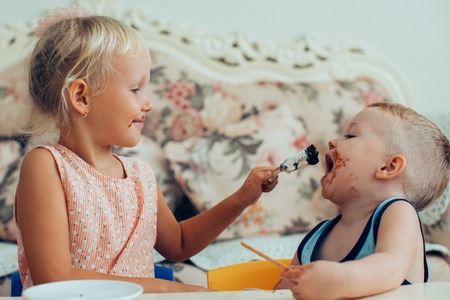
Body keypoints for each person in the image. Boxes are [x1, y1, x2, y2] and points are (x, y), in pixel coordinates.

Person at [14, 4, 279, 294]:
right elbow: (54, 279)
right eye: (136, 88)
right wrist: (164, 290)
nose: (148, 103)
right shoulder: (47, 166)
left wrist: (242, 198)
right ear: (82, 97)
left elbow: (178, 245)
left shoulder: (140, 176)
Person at [276, 102, 450, 300]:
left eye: (350, 136)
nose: (333, 141)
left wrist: (339, 280)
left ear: (389, 166)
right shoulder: (314, 239)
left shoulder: (397, 212)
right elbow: (280, 294)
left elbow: (391, 266)